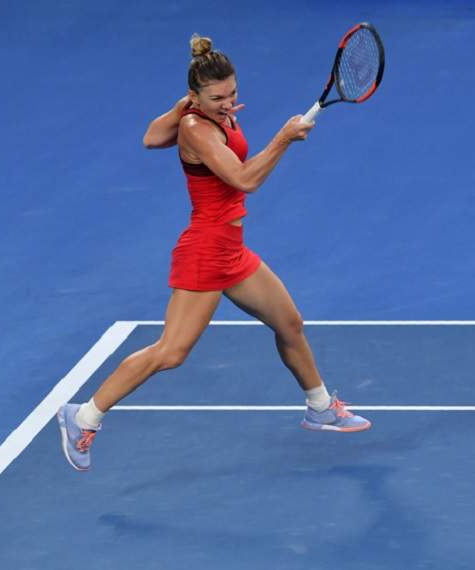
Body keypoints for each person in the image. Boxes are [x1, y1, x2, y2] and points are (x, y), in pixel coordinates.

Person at [57, 33, 371, 472]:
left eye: (232, 93)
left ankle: (319, 406)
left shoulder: (196, 112)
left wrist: (191, 104)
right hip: (206, 251)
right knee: (171, 352)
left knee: (290, 324)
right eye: (217, 97)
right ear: (195, 96)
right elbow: (244, 180)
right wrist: (282, 139)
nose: (228, 103)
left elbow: (149, 138)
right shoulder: (195, 128)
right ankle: (83, 416)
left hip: (232, 250)